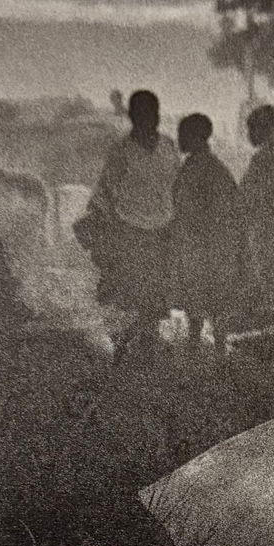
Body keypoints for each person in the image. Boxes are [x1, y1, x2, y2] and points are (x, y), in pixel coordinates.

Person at [83, 89, 180, 362]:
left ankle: (149, 341)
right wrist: (98, 221)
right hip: (131, 231)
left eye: (153, 114)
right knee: (129, 293)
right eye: (142, 115)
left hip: (162, 230)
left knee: (156, 293)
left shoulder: (168, 147)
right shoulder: (121, 151)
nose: (149, 120)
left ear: (158, 115)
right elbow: (106, 190)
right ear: (133, 117)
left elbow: (177, 185)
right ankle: (126, 346)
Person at [168, 113, 242, 352]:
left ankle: (211, 349)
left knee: (206, 298)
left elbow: (220, 210)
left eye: (184, 134)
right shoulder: (203, 166)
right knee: (202, 300)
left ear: (197, 137)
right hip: (204, 245)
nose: (179, 139)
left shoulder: (205, 169)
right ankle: (203, 347)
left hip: (206, 246)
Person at [240, 104, 274, 323]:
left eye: (252, 129)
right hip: (271, 225)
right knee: (270, 275)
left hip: (266, 227)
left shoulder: (265, 158)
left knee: (268, 275)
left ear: (262, 130)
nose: (249, 134)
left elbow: (250, 192)